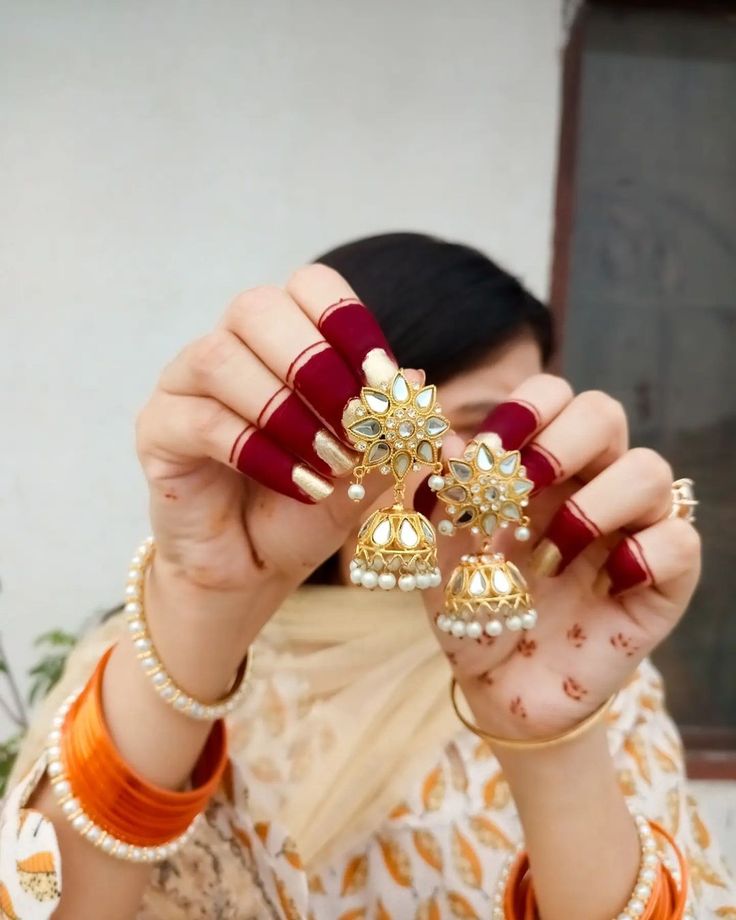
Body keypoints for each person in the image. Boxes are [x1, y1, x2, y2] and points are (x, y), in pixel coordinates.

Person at [1, 233, 733, 919]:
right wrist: (201, 603)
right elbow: (35, 903)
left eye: (522, 437)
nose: (497, 467)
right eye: (478, 426)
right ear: (354, 421)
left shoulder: (582, 672)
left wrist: (551, 743)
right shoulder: (157, 659)